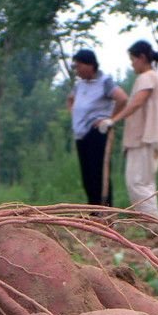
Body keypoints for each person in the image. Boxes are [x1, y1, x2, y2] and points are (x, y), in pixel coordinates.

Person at [97, 41, 158, 220]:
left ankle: (155, 225)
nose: (132, 64)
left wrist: (114, 119)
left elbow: (137, 102)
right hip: (143, 138)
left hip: (144, 138)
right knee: (143, 184)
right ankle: (153, 225)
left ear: (142, 58)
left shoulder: (147, 77)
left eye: (133, 59)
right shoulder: (150, 77)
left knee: (138, 184)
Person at [66, 49, 127, 207]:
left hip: (97, 132)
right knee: (87, 176)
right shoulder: (79, 85)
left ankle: (105, 210)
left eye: (79, 66)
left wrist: (109, 119)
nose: (77, 70)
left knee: (98, 173)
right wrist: (74, 115)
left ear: (89, 65)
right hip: (81, 134)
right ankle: (93, 211)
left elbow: (122, 98)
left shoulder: (104, 82)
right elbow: (70, 100)